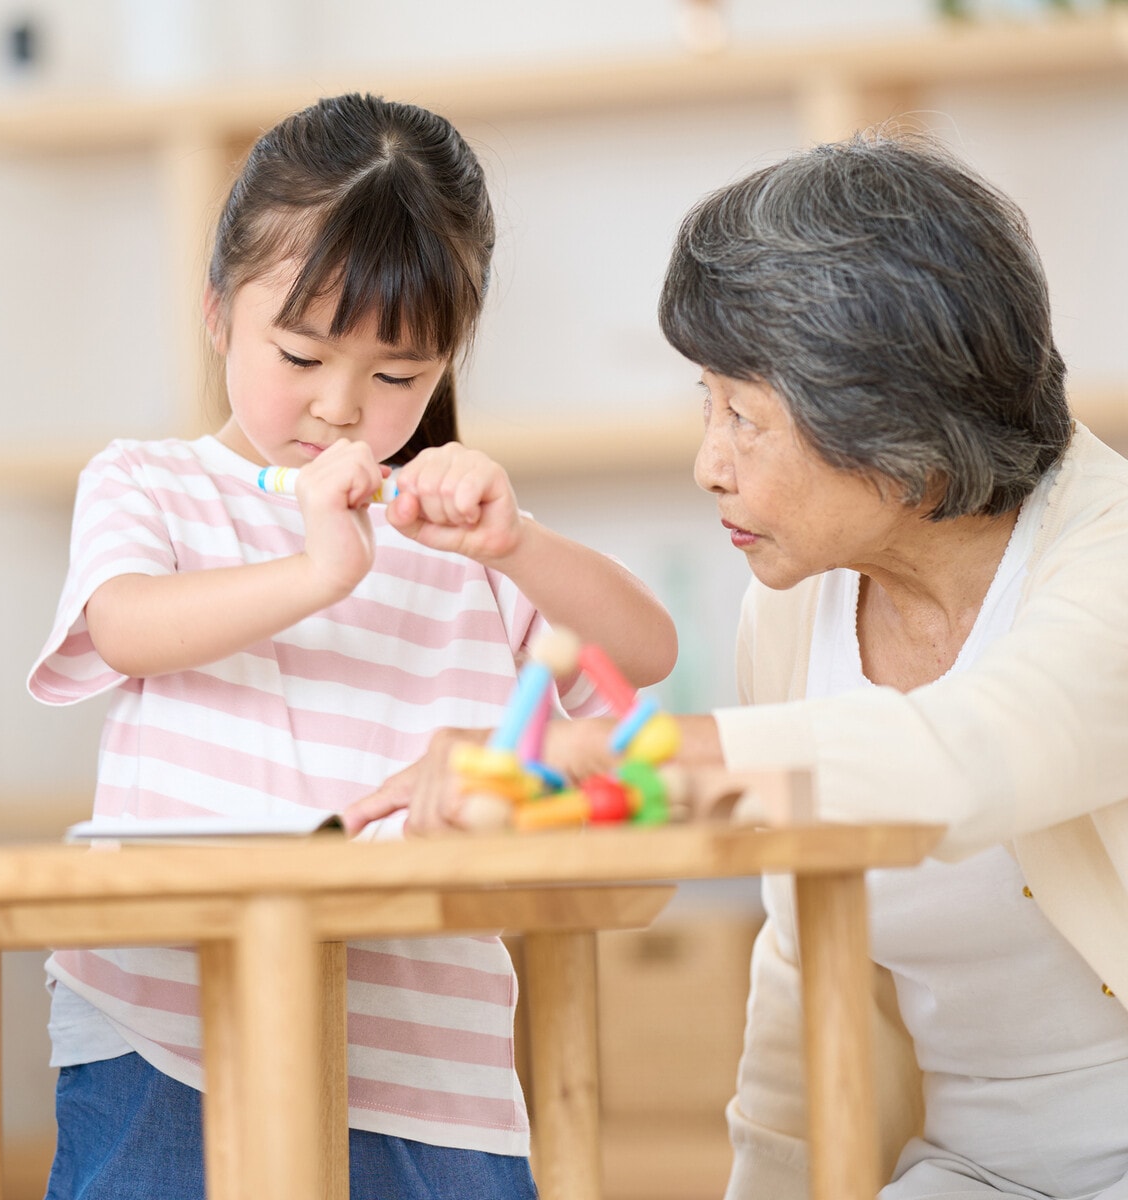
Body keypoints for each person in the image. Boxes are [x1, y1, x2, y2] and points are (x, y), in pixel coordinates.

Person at [346, 132, 1128, 1199]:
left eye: (745, 418)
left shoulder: (1109, 559)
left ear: (893, 418)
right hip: (969, 1175)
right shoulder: (797, 604)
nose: (708, 463)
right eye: (705, 404)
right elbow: (805, 975)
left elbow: (968, 755)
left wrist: (612, 757)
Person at [26, 92, 677, 1199]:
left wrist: (517, 544)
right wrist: (317, 572)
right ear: (218, 312)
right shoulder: (153, 482)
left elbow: (645, 649)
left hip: (427, 1058)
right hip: (168, 1029)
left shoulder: (457, 532)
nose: (339, 407)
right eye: (300, 355)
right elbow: (125, 625)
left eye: (396, 376)